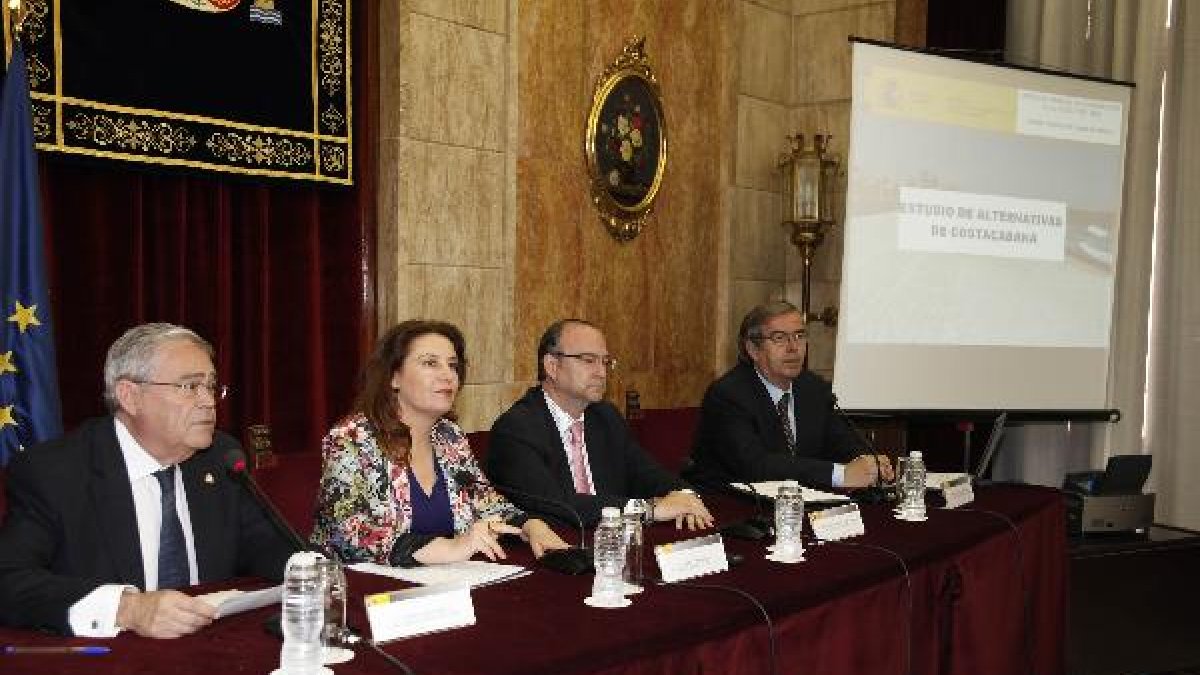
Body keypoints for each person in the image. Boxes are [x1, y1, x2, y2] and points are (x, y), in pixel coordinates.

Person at [0, 323, 297, 638]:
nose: (209, 401)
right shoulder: (56, 472)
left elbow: (265, 544)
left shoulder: (220, 456)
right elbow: (9, 579)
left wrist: (309, 566)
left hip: (209, 647)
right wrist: (129, 609)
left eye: (211, 386)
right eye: (189, 386)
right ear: (130, 396)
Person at [310, 320, 568, 566]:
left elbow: (486, 503)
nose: (448, 375)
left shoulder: (449, 437)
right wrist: (447, 548)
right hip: (361, 593)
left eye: (453, 365)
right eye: (430, 363)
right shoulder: (353, 438)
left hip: (442, 586)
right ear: (393, 378)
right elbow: (344, 533)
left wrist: (529, 524)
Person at [486, 319, 713, 529]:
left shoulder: (606, 417)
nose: (602, 373)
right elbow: (558, 506)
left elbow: (648, 474)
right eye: (589, 361)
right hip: (560, 553)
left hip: (612, 543)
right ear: (552, 366)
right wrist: (649, 510)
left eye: (605, 362)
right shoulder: (517, 428)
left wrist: (685, 497)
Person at [686, 301, 894, 490]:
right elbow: (756, 466)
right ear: (752, 349)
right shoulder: (728, 395)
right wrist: (840, 474)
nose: (793, 348)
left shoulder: (813, 388)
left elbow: (841, 441)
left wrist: (867, 461)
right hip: (728, 507)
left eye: (799, 336)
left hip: (798, 504)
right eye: (779, 338)